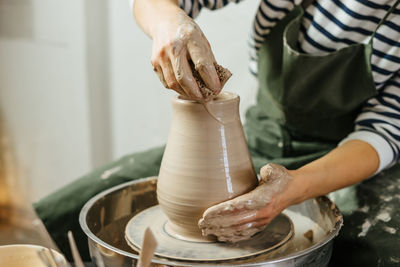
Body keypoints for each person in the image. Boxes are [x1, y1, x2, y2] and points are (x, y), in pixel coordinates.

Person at [35, 0, 400, 266]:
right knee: (78, 204)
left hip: (353, 159)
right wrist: (168, 21)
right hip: (258, 136)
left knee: (379, 251)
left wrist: (294, 188)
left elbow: (386, 130)